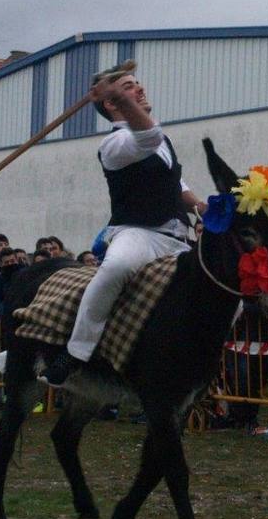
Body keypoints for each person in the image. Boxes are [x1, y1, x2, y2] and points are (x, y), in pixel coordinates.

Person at [44, 66, 206, 386]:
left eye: (136, 84)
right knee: (116, 268)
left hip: (177, 237)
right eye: (128, 88)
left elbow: (177, 184)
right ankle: (75, 353)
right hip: (138, 233)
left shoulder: (161, 140)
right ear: (111, 104)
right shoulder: (116, 143)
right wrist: (115, 91)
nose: (140, 89)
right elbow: (148, 136)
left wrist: (203, 206)